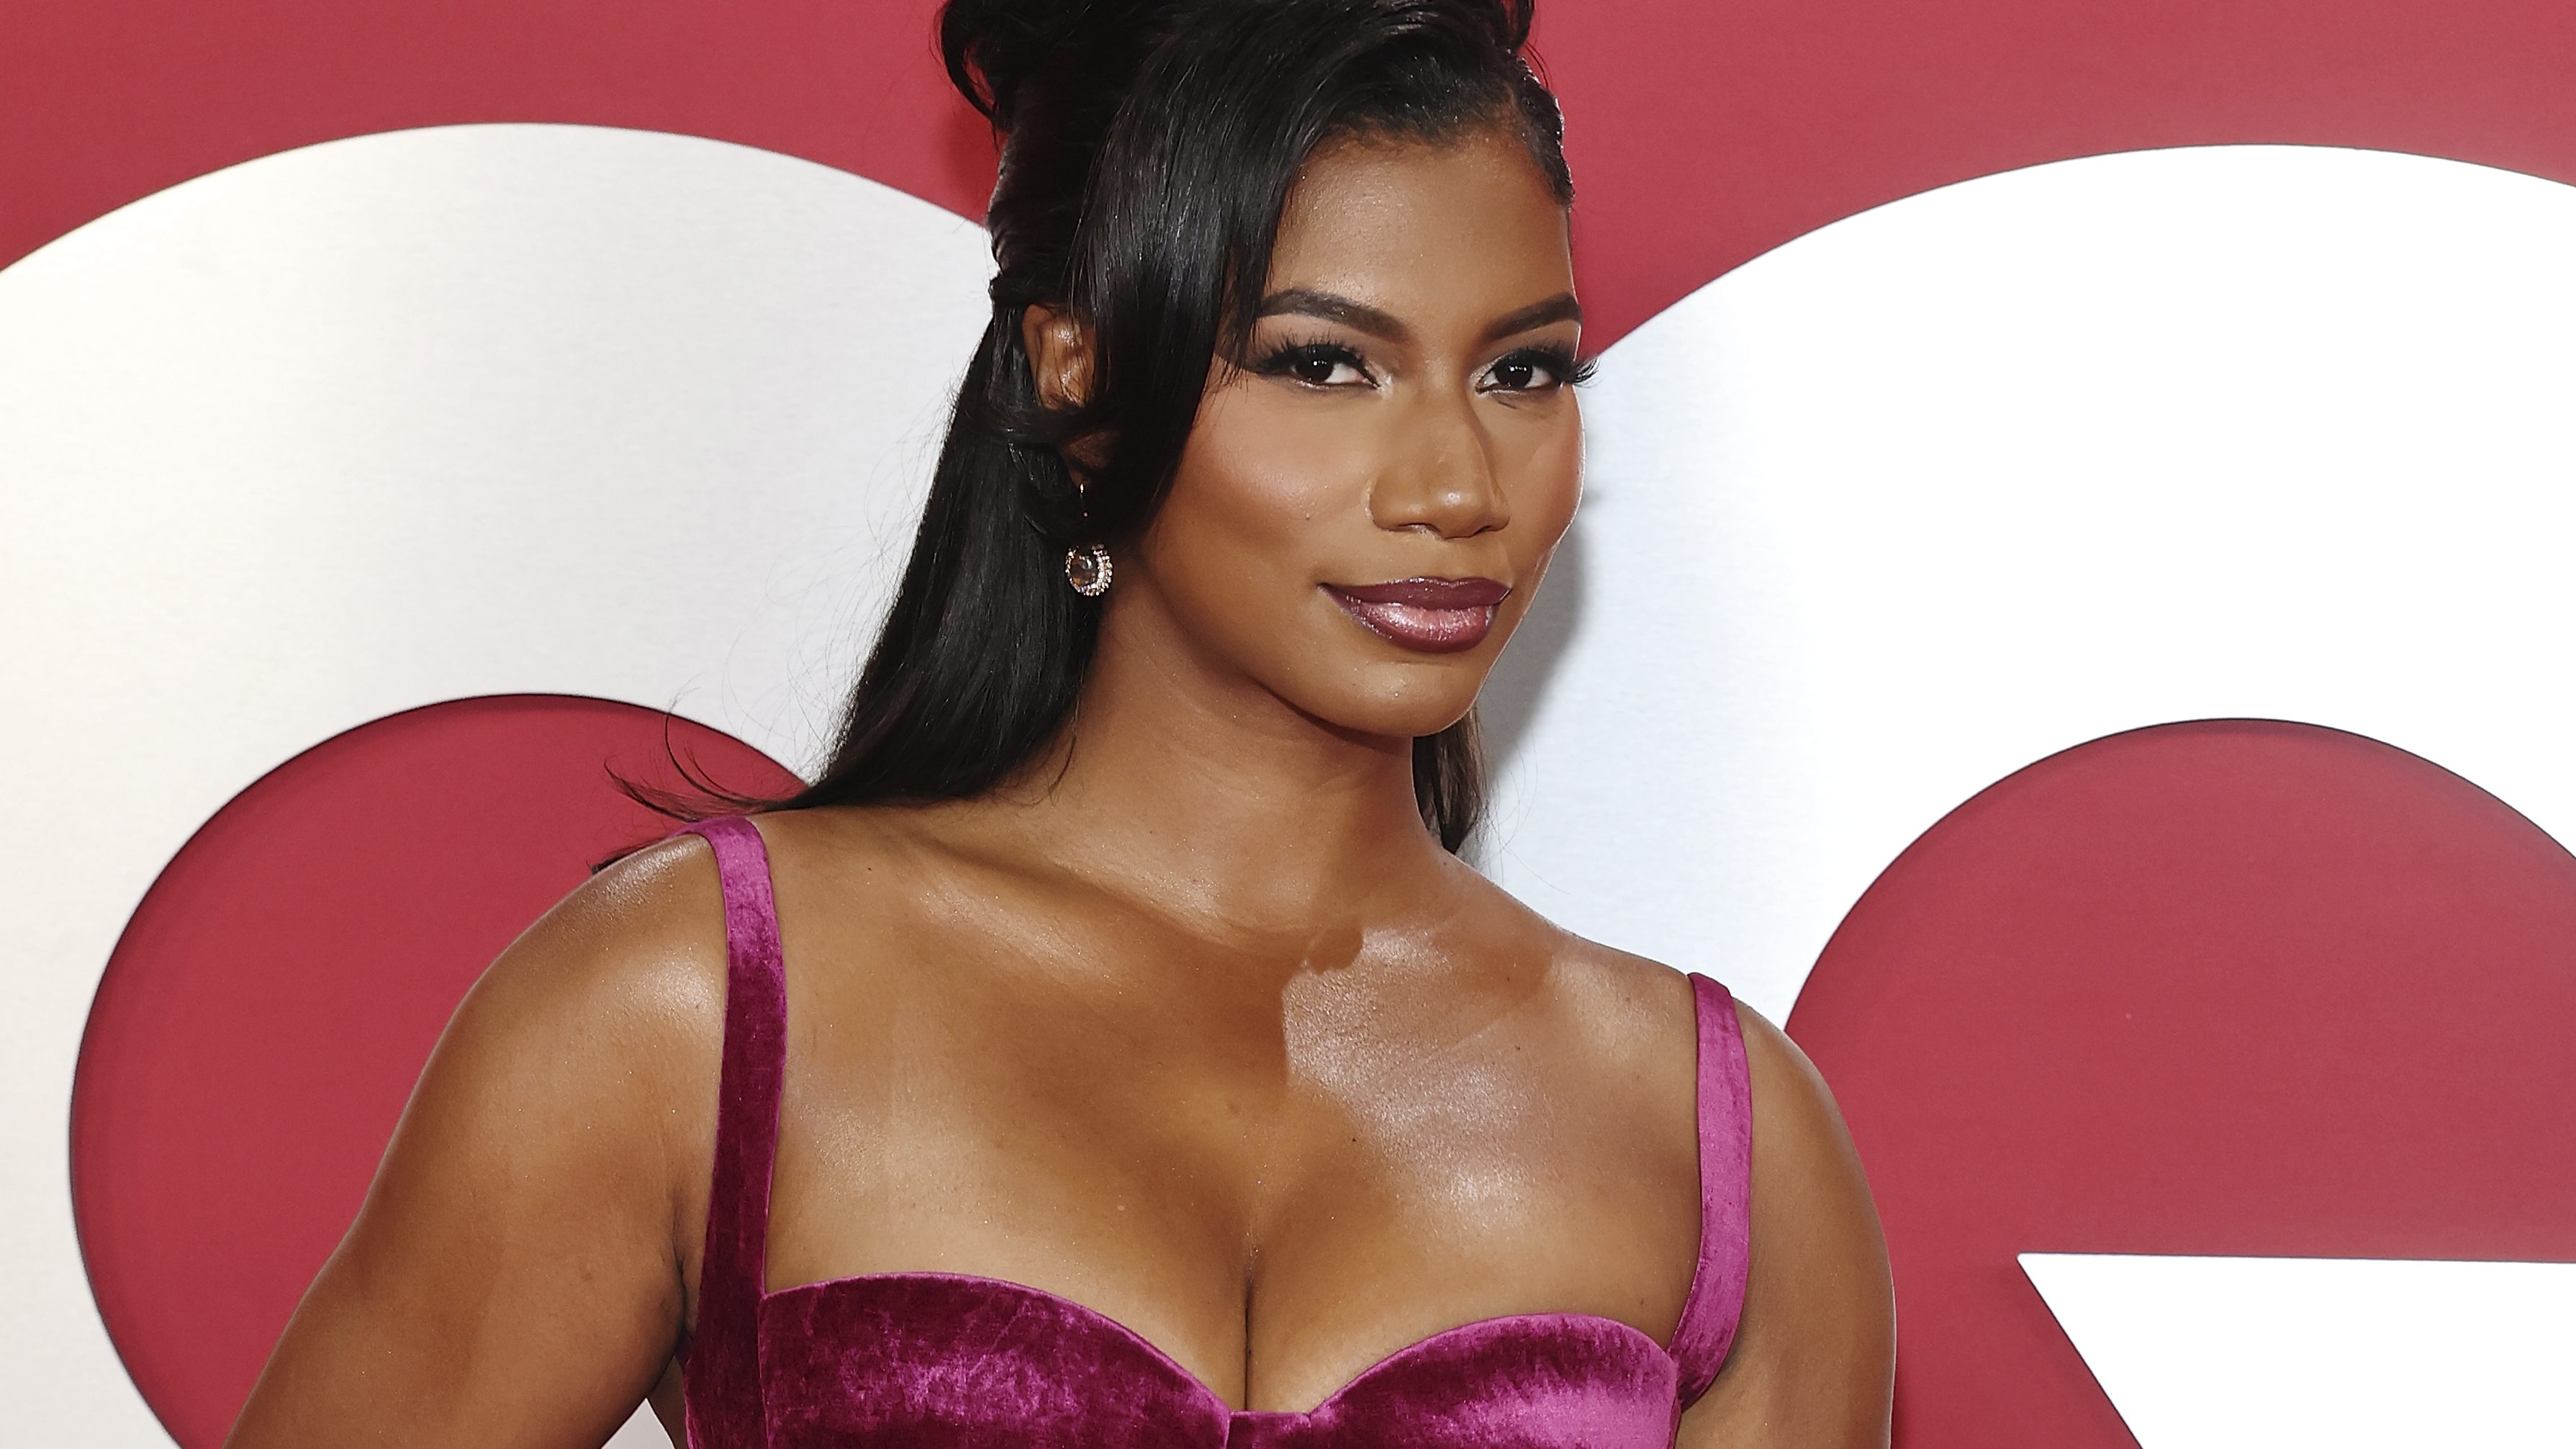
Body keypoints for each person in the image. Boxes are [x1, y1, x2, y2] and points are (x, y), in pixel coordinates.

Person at [227, 0, 1894, 1443]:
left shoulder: (1720, 1143)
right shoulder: (689, 1010)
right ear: (1075, 372)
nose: (1457, 485)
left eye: (1522, 373)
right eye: (1323, 365)